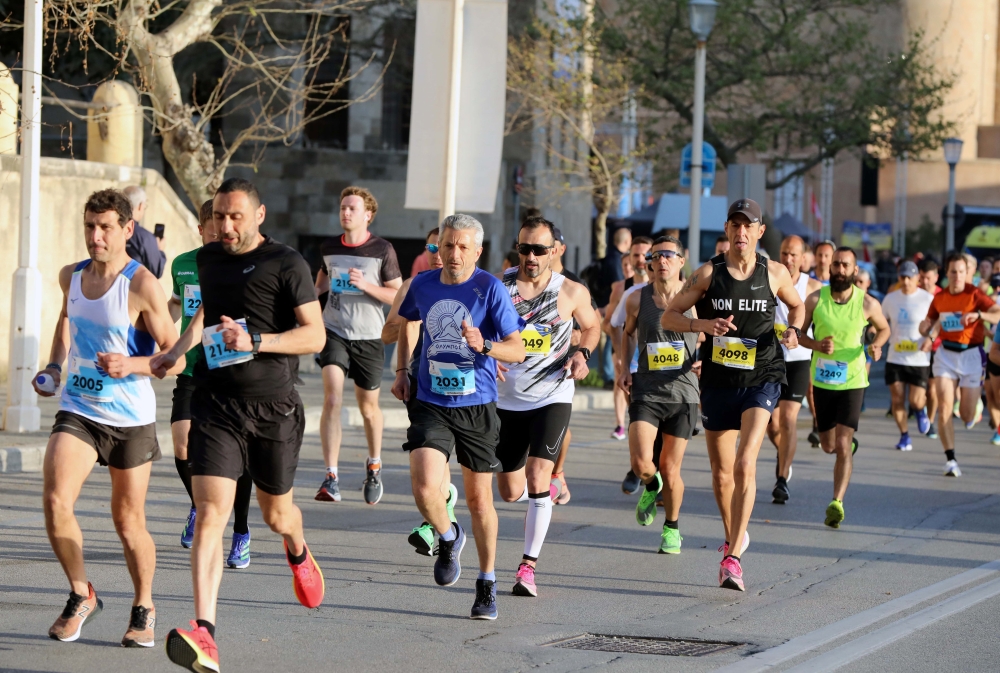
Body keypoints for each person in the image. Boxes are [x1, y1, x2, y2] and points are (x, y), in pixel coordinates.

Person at [151, 178, 327, 672]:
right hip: (217, 403)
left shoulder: (286, 263)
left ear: (258, 215)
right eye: (218, 218)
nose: (225, 227)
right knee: (210, 512)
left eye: (235, 218)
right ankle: (205, 632)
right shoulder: (208, 260)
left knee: (277, 516)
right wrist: (175, 352)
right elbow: (205, 311)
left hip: (273, 408)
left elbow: (313, 336)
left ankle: (297, 548)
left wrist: (256, 342)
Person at [34, 188, 183, 646]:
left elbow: (174, 357)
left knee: (128, 521)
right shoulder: (71, 276)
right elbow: (66, 319)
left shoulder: (140, 286)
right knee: (57, 501)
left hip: (129, 417)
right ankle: (82, 594)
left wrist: (132, 365)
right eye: (89, 227)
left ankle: (144, 605)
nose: (95, 237)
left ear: (126, 229)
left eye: (105, 228)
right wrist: (55, 365)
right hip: (78, 407)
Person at [660, 198, 804, 592]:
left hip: (763, 377)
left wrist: (793, 329)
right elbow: (669, 316)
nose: (741, 233)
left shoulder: (773, 273)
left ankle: (733, 559)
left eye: (748, 226)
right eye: (735, 226)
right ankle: (733, 537)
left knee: (744, 464)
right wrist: (703, 323)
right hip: (719, 381)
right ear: (727, 230)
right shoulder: (708, 274)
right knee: (722, 475)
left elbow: (798, 305)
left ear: (759, 232)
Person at [392, 213, 525, 620]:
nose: (453, 253)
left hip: (476, 405)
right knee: (424, 486)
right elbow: (407, 323)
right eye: (447, 245)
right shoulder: (423, 284)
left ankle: (487, 581)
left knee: (479, 500)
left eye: (462, 246)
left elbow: (517, 350)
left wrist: (484, 344)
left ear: (477, 251)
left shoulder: (491, 288)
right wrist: (401, 371)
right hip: (431, 400)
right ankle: (449, 536)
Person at [494, 216, 599, 596]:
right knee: (508, 491)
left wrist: (582, 354)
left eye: (540, 249)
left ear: (555, 250)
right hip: (507, 399)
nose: (532, 256)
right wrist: (490, 356)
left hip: (552, 394)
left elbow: (593, 327)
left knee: (538, 477)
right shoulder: (500, 286)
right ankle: (543, 501)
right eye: (525, 249)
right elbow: (481, 327)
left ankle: (527, 568)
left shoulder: (570, 291)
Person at [169, 200, 256, 568]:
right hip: (192, 368)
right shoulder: (183, 264)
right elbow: (176, 305)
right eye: (213, 225)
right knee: (181, 439)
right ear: (202, 228)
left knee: (240, 457)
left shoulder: (243, 265)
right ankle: (198, 503)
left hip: (233, 371)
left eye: (226, 223)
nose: (220, 231)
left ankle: (240, 531)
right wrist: (155, 334)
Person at [314, 186, 402, 505]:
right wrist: (309, 304)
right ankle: (331, 475)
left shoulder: (382, 250)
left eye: (352, 208)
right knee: (333, 398)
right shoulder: (327, 247)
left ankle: (374, 464)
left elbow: (397, 295)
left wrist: (365, 286)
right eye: (342, 207)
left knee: (368, 408)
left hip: (369, 336)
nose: (346, 212)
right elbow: (320, 283)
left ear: (368, 215)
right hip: (333, 330)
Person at [619, 235, 699, 554]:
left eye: (668, 255)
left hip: (683, 394)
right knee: (642, 463)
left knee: (671, 467)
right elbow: (627, 334)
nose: (662, 261)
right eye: (656, 256)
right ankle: (651, 486)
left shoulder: (695, 300)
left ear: (681, 261)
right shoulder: (637, 299)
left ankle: (672, 528)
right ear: (649, 263)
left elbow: (712, 331)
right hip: (647, 391)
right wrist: (626, 368)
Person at [798, 247, 890, 528]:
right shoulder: (815, 300)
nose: (839, 269)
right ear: (830, 269)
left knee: (842, 444)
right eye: (836, 264)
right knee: (828, 446)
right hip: (823, 381)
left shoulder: (867, 304)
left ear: (854, 271)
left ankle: (836, 502)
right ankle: (844, 447)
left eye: (845, 265)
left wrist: (876, 345)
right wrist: (816, 345)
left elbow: (884, 329)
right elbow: (798, 334)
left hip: (852, 381)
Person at [383, 231, 461, 556]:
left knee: (445, 453)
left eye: (443, 247)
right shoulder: (412, 287)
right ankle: (438, 520)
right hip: (422, 381)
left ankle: (440, 514)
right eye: (432, 247)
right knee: (432, 449)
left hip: (463, 383)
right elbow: (388, 332)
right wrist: (411, 321)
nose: (437, 254)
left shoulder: (475, 287)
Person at [919, 252, 1000, 477]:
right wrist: (925, 329)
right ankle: (951, 459)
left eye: (961, 272)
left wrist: (979, 315)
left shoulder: (975, 294)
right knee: (944, 406)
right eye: (953, 272)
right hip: (946, 355)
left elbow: (998, 313)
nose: (957, 276)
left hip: (972, 356)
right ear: (947, 273)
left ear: (967, 273)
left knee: (966, 415)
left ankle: (973, 410)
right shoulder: (940, 298)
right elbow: (929, 325)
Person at [766, 235, 821, 505]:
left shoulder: (813, 287)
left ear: (803, 258)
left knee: (788, 419)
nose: (788, 259)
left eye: (794, 255)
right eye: (784, 253)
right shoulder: (770, 277)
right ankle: (784, 454)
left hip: (799, 360)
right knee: (773, 426)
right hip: (771, 360)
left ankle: (782, 479)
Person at [548, 225, 599, 505]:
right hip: (524, 368)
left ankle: (557, 472)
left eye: (549, 245)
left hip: (561, 366)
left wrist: (579, 346)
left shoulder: (574, 285)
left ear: (560, 249)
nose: (542, 252)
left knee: (559, 427)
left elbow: (589, 328)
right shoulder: (523, 280)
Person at [603, 236, 654, 441]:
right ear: (629, 259)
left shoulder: (675, 285)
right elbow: (609, 323)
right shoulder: (621, 288)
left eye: (645, 254)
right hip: (631, 358)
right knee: (637, 412)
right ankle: (638, 464)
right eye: (636, 255)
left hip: (660, 358)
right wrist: (619, 355)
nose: (641, 259)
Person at [881, 261, 935, 451]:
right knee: (897, 399)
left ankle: (920, 410)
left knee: (915, 400)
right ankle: (904, 435)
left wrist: (931, 339)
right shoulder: (891, 298)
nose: (905, 281)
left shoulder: (927, 299)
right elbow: (881, 320)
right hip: (895, 356)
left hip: (918, 358)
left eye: (909, 278)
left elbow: (937, 323)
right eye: (902, 277)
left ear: (917, 278)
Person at [598, 227, 633, 385]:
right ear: (626, 242)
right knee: (612, 335)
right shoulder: (616, 261)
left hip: (608, 304)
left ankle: (610, 373)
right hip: (610, 305)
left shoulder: (610, 258)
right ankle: (609, 375)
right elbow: (618, 286)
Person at [918, 258, 943, 438]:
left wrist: (932, 337)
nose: (925, 282)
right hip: (917, 348)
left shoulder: (942, 296)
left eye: (928, 278)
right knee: (920, 389)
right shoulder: (915, 294)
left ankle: (931, 421)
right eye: (922, 278)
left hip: (937, 348)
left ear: (935, 277)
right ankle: (920, 411)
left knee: (932, 389)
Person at [122, 185, 166, 279]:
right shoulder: (144, 236)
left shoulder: (113, 230)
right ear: (140, 206)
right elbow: (156, 271)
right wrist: (160, 250)